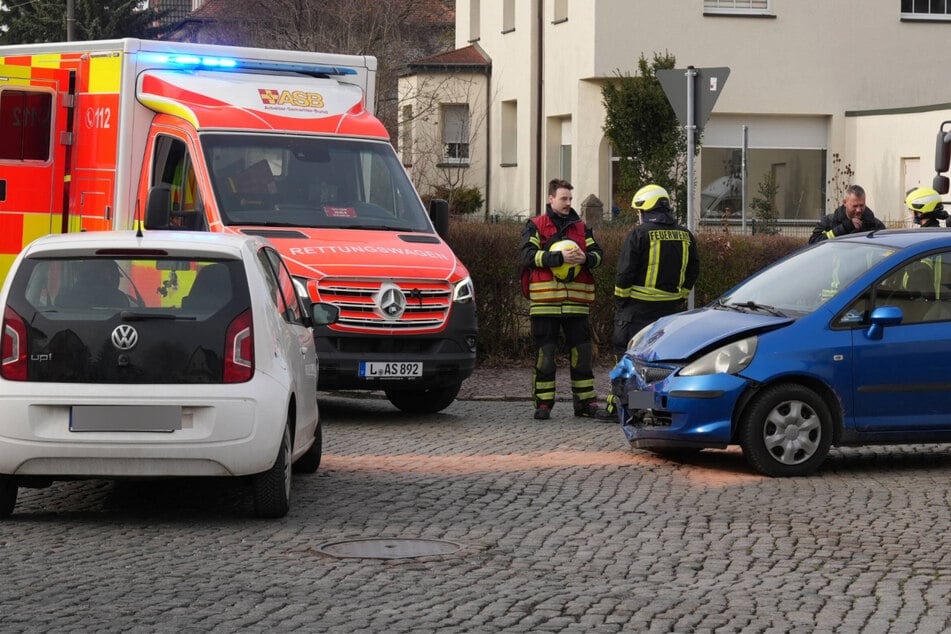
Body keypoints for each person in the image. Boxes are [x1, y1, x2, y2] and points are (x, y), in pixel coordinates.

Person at [605, 185, 700, 417]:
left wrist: (620, 300)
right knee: (658, 364)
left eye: (639, 212)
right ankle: (651, 407)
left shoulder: (639, 234)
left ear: (645, 208)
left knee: (628, 362)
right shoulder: (685, 235)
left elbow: (624, 273)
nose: (638, 217)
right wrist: (680, 296)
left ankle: (623, 410)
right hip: (668, 313)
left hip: (636, 311)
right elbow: (693, 271)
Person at [520, 178, 608, 420]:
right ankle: (544, 404)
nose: (568, 203)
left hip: (577, 306)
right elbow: (527, 255)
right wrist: (557, 259)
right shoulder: (536, 225)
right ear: (551, 199)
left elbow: (598, 255)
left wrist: (585, 259)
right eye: (563, 198)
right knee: (545, 356)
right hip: (545, 304)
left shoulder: (581, 227)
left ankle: (585, 404)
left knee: (583, 356)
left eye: (570, 198)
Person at [809, 184, 885, 243]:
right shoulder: (829, 221)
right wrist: (844, 228)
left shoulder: (876, 226)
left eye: (861, 205)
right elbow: (813, 242)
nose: (858, 210)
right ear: (845, 202)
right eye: (855, 206)